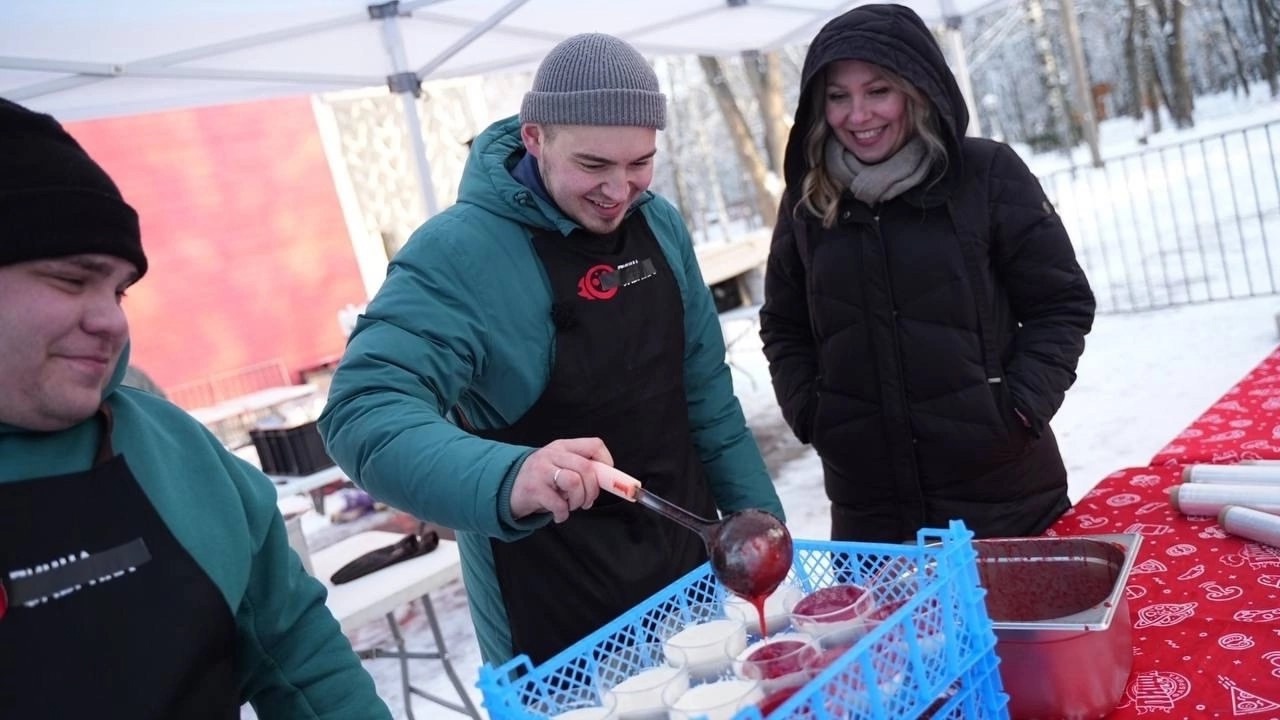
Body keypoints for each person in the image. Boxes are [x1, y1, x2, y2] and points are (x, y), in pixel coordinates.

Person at [319, 33, 784, 666]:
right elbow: (362, 413)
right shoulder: (459, 253)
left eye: (640, 163)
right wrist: (510, 475)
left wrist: (764, 536)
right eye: (594, 165)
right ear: (535, 137)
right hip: (558, 618)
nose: (620, 190)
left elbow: (706, 398)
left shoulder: (660, 224)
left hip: (690, 576)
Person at [0, 98, 392, 719]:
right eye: (71, 280)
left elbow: (295, 649)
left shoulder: (174, 448)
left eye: (119, 289)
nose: (111, 321)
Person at [759, 4, 1095, 543]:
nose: (858, 114)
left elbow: (1061, 304)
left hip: (1003, 496)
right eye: (838, 96)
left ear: (916, 89)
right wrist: (815, 415)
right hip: (870, 510)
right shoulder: (806, 202)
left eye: (878, 91)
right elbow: (783, 325)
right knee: (891, 632)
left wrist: (1019, 409)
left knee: (1025, 631)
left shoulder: (986, 175)